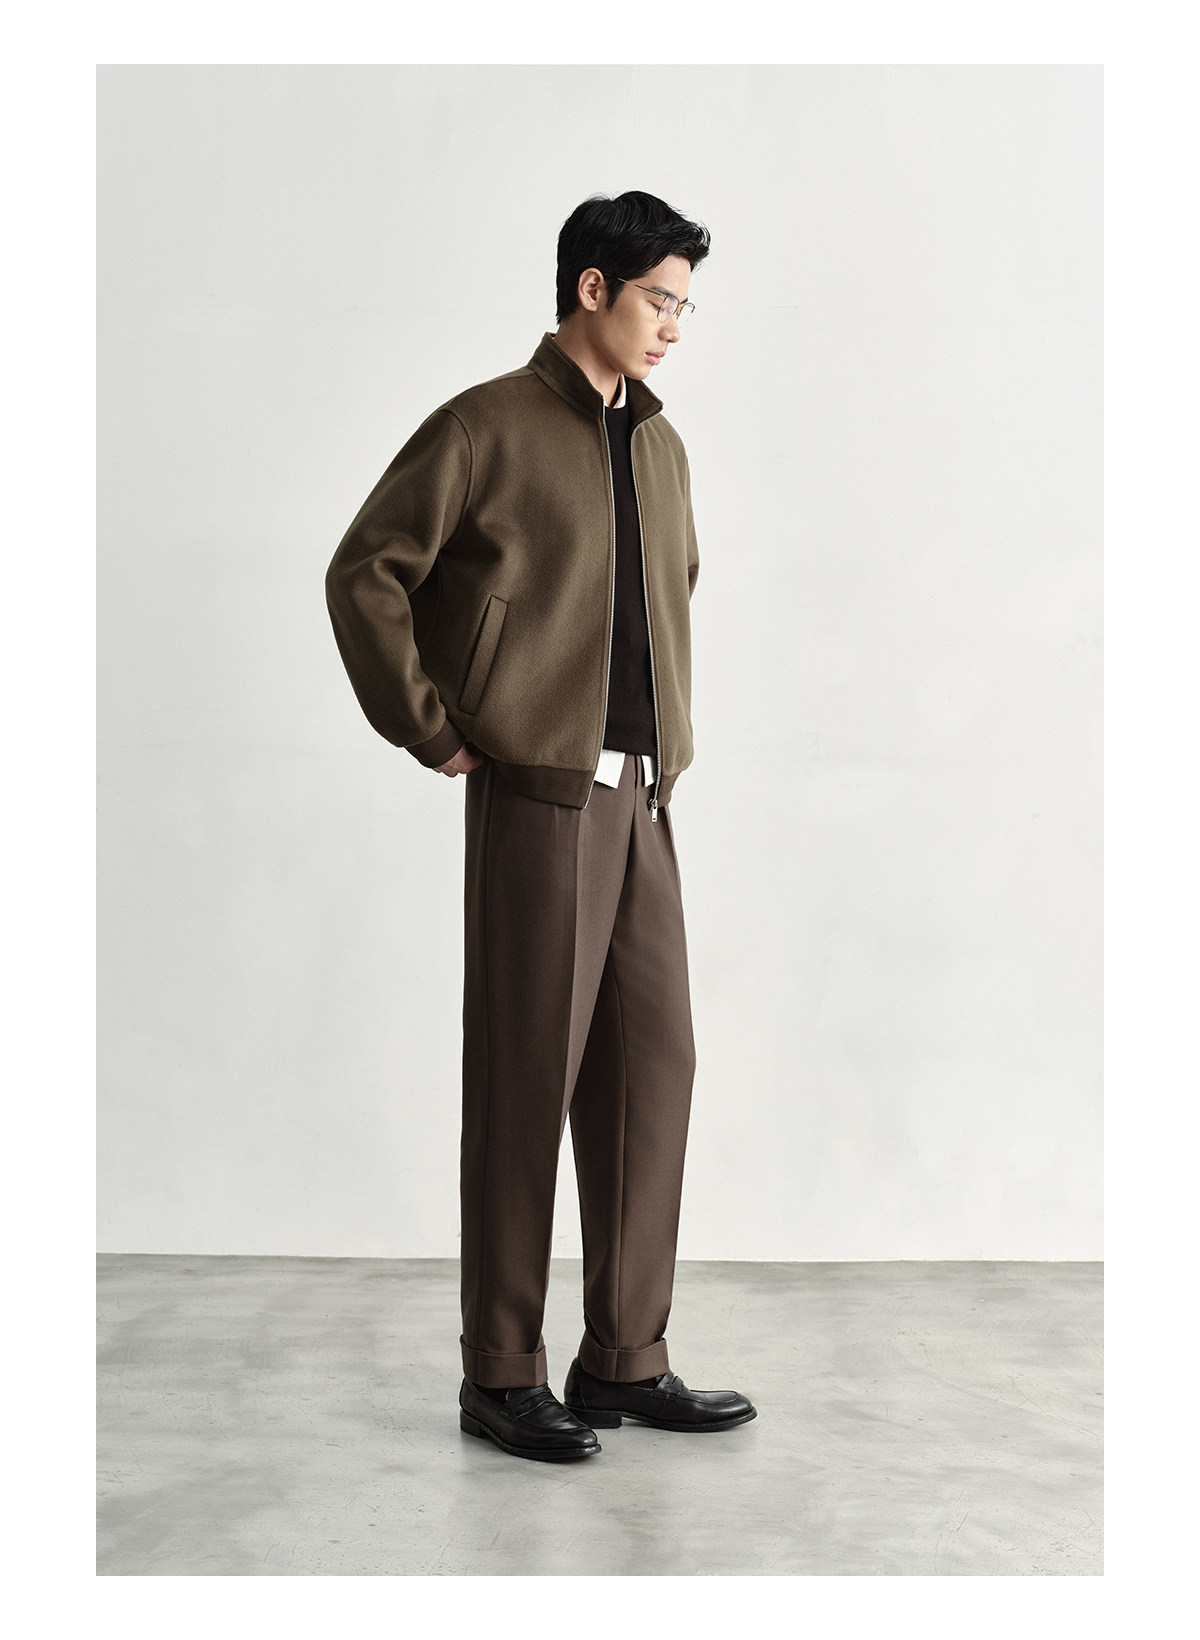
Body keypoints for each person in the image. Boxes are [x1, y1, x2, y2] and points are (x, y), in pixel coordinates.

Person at [325, 190, 756, 1462]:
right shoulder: (486, 424)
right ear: (591, 289)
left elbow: (672, 594)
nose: (673, 325)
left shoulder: (662, 447)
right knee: (527, 1075)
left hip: (643, 795)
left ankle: (625, 1356)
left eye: (685, 306)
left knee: (653, 1067)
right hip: (540, 791)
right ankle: (500, 1372)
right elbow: (366, 571)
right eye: (660, 299)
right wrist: (435, 724)